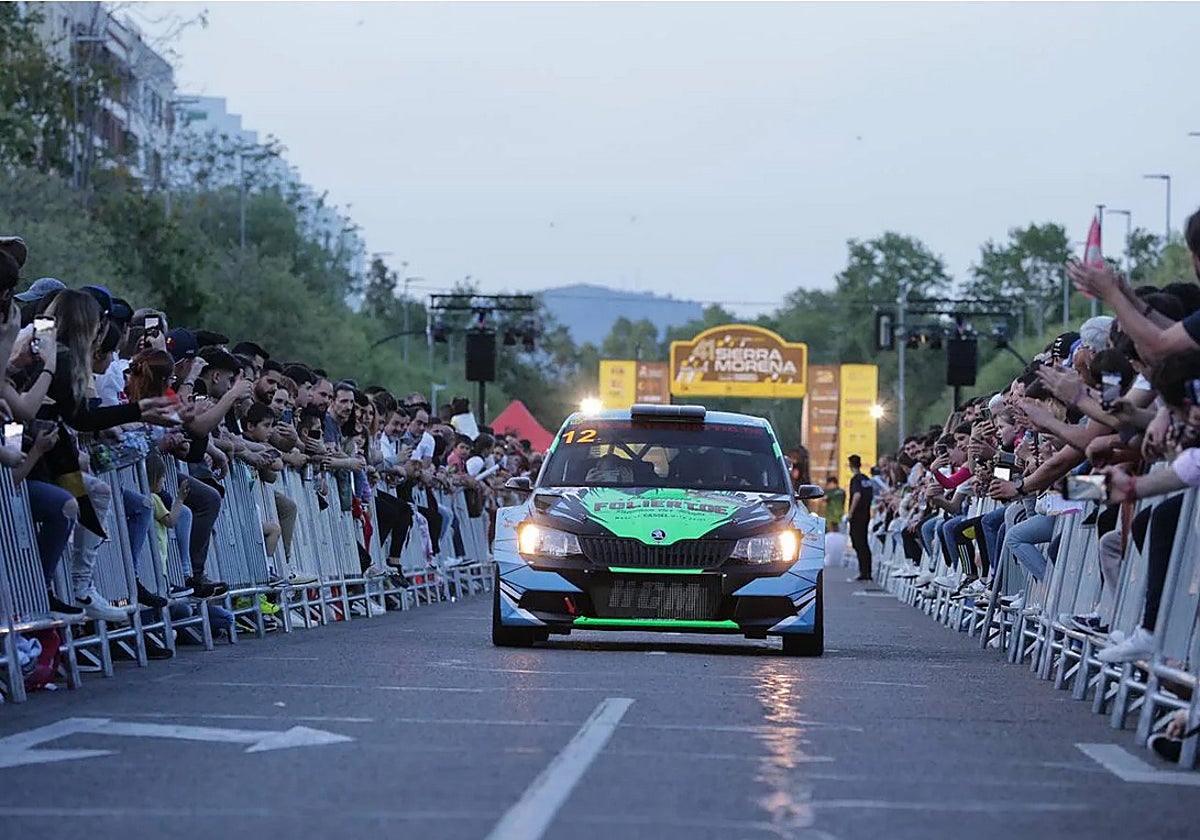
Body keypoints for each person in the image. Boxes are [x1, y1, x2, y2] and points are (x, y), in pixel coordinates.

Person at [846, 454, 874, 582]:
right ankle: (867, 571)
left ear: (851, 465)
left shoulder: (856, 479)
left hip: (857, 515)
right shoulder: (866, 479)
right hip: (866, 514)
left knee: (857, 541)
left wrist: (850, 513)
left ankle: (864, 572)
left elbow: (857, 495)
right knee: (863, 542)